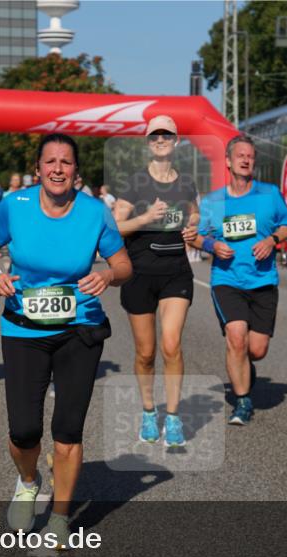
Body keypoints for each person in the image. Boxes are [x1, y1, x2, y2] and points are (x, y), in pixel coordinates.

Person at [0, 133, 131, 546]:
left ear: (76, 171)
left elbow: (123, 264)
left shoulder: (95, 213)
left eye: (66, 162)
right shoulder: (16, 205)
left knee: (68, 430)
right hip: (23, 328)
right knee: (24, 430)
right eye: (50, 162)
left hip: (80, 327)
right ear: (39, 169)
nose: (58, 169)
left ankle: (61, 515)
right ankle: (28, 480)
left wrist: (108, 275)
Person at [192, 135, 287, 426]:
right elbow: (199, 236)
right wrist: (212, 246)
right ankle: (243, 400)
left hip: (263, 280)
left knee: (256, 349)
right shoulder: (214, 201)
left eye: (250, 156)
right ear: (228, 161)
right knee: (236, 338)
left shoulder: (269, 194)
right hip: (227, 279)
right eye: (240, 156)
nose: (246, 160)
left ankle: (246, 369)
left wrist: (273, 240)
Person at [112, 115, 199, 446]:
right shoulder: (135, 183)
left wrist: (192, 227)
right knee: (146, 353)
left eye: (167, 135)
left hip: (176, 272)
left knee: (171, 343)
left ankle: (174, 416)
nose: (160, 140)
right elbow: (116, 226)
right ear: (148, 143)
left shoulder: (186, 182)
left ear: (176, 141)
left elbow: (194, 213)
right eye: (154, 136)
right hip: (140, 274)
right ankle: (149, 410)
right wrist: (146, 217)